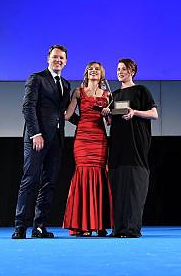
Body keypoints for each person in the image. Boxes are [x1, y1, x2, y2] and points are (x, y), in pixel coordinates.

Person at [12, 44, 76, 239]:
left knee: (49, 184)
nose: (58, 60)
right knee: (30, 181)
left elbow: (65, 114)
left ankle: (39, 226)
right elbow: (27, 107)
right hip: (36, 139)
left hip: (57, 140)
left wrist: (92, 121)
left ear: (66, 62)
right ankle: (20, 227)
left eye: (62, 58)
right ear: (48, 59)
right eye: (55, 57)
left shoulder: (65, 84)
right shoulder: (37, 78)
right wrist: (35, 134)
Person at [103, 59, 158, 238]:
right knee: (117, 187)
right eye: (118, 69)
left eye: (124, 69)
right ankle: (118, 229)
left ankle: (132, 229)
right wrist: (106, 114)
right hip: (118, 146)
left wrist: (134, 112)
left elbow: (154, 114)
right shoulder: (114, 94)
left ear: (132, 71)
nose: (120, 72)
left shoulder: (141, 90)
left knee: (135, 188)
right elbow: (111, 121)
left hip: (136, 145)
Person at [62, 62, 112, 236]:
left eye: (97, 69)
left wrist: (108, 114)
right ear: (86, 73)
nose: (93, 71)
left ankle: (98, 224)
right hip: (83, 139)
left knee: (99, 174)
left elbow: (110, 122)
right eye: (91, 69)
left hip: (99, 139)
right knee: (83, 174)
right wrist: (82, 122)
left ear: (101, 75)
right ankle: (83, 225)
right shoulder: (78, 92)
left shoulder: (107, 95)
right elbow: (67, 116)